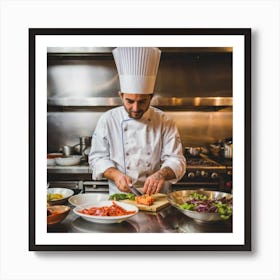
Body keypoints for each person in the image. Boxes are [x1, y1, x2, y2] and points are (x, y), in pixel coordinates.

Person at [88, 47, 186, 195]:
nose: (135, 108)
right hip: (120, 198)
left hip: (158, 198)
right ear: (121, 96)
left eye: (142, 101)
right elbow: (97, 158)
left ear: (151, 97)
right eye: (130, 101)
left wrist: (161, 174)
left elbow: (177, 160)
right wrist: (115, 174)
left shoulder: (165, 121)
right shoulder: (108, 120)